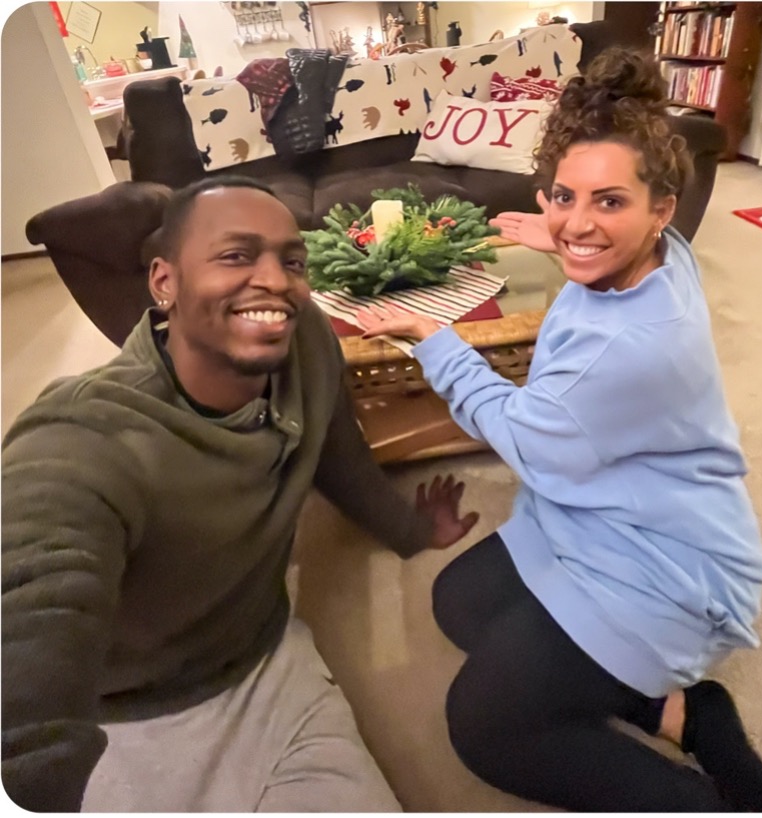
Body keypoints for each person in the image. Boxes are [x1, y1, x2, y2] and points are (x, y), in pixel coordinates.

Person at [357, 48, 762, 812]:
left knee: (482, 727)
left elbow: (524, 438)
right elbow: (594, 241)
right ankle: (683, 712)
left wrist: (436, 340)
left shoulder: (620, 354)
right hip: (607, 514)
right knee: (458, 602)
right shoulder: (666, 257)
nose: (579, 222)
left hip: (664, 570)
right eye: (565, 195)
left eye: (610, 203)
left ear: (662, 207)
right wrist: (564, 235)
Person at [0, 176, 479, 812]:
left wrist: (409, 529)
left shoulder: (305, 338)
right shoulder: (85, 435)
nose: (276, 281)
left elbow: (336, 456)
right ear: (164, 283)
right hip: (127, 722)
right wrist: (33, 773)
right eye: (235, 256)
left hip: (271, 667)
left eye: (292, 261)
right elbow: (36, 600)